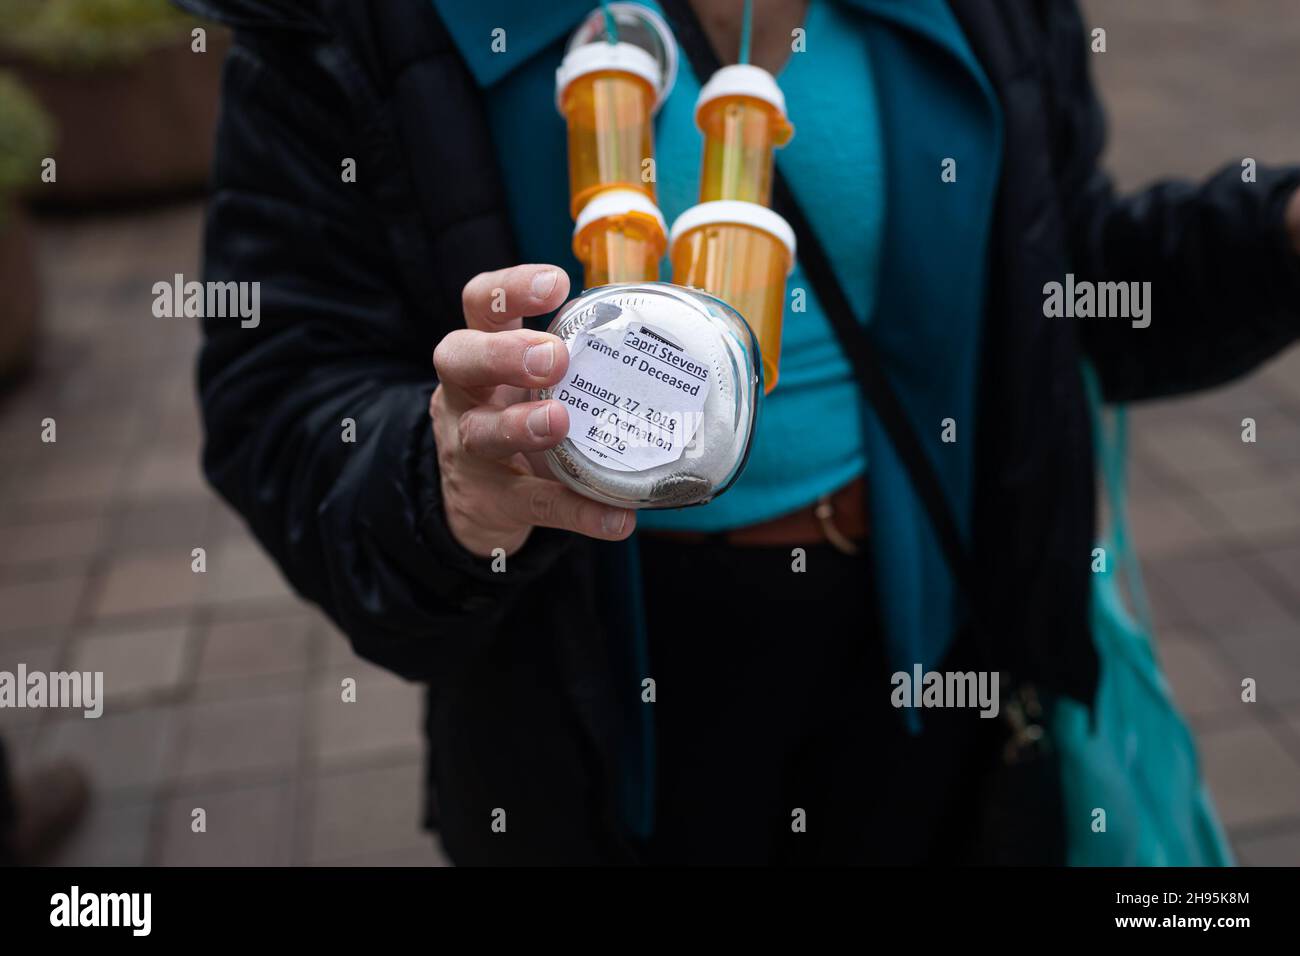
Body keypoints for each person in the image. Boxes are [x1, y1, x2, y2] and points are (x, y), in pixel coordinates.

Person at [181, 0, 1300, 864]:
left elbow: (1055, 279)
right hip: (596, 697)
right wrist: (445, 489)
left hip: (929, 643)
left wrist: (1277, 233)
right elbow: (280, 388)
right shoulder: (359, 24)